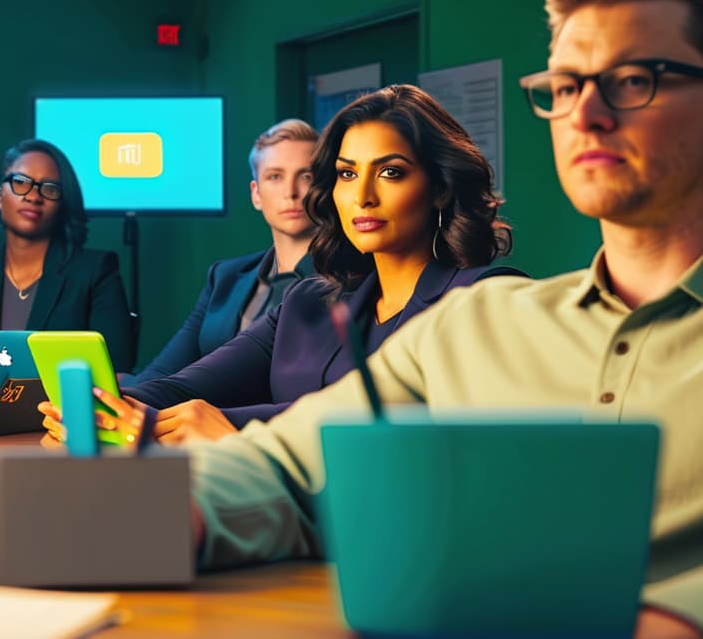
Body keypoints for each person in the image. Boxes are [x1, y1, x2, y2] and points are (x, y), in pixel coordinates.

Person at [153, 0, 703, 637]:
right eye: (564, 87)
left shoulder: (471, 291)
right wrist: (179, 511)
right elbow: (284, 463)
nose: (585, 113)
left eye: (630, 80)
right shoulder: (479, 324)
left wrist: (675, 613)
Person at [43, 84, 521, 446]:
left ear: (439, 187)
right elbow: (183, 385)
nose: (363, 196)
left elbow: (390, 419)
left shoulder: (482, 300)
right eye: (347, 173)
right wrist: (103, 410)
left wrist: (231, 427)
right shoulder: (307, 301)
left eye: (390, 172)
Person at [128, 119, 318, 384]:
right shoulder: (225, 277)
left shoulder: (344, 284)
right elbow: (164, 369)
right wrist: (120, 401)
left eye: (306, 176)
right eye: (275, 176)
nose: (291, 192)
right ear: (256, 194)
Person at [0, 139, 136, 372]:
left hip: (58, 408)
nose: (33, 196)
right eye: (20, 182)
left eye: (49, 188)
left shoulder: (95, 271)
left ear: (62, 204)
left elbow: (115, 370)